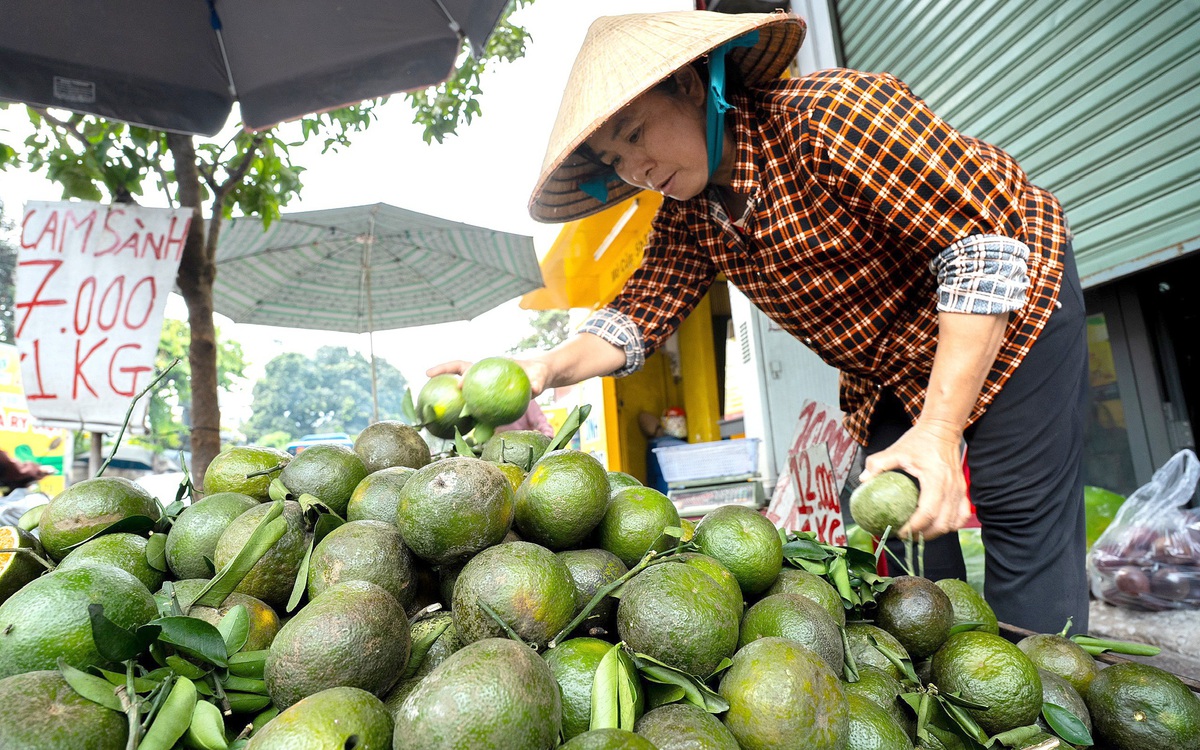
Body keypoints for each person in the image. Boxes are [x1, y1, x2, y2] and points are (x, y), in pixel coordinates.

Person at [432, 10, 1088, 633]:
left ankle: (1048, 702)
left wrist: (940, 431)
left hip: (1009, 305)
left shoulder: (832, 117)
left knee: (1015, 505)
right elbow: (633, 319)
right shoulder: (690, 218)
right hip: (889, 363)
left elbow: (980, 253)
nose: (633, 169)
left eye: (633, 135)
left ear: (690, 87)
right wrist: (542, 367)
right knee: (895, 534)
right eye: (613, 162)